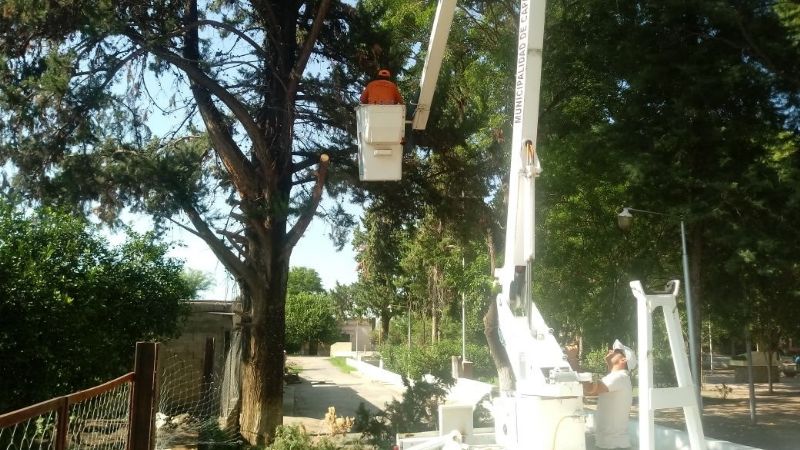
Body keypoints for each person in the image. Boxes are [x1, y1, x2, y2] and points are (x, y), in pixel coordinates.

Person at [583, 340, 636, 450]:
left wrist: (573, 360)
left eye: (616, 350)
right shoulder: (616, 378)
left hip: (614, 446)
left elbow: (590, 389)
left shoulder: (619, 377)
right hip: (611, 445)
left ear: (623, 359)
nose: (610, 351)